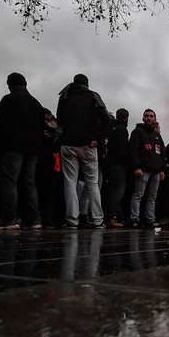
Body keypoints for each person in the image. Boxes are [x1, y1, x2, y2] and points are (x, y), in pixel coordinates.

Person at [56, 73, 110, 228]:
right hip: (89, 145)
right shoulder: (93, 97)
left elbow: (60, 119)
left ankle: (72, 220)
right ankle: (98, 219)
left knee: (70, 183)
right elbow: (106, 119)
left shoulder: (64, 96)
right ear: (87, 84)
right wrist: (98, 138)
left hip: (68, 144)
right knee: (92, 183)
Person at [0, 72, 44, 230]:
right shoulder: (36, 103)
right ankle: (34, 219)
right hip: (33, 148)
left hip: (13, 146)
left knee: (9, 180)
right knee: (29, 182)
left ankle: (10, 219)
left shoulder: (8, 100)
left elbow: (2, 127)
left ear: (10, 85)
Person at [127, 108, 165, 228]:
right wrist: (136, 167)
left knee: (152, 196)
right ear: (143, 118)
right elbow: (133, 151)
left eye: (151, 116)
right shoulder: (137, 132)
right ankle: (134, 219)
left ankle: (150, 219)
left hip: (156, 171)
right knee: (138, 194)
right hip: (143, 170)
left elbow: (161, 153)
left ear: (155, 119)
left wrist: (162, 169)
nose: (149, 118)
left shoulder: (157, 135)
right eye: (147, 116)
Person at [104, 108, 130, 228]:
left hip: (111, 163)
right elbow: (123, 149)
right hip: (120, 164)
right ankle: (112, 217)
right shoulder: (122, 129)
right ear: (126, 117)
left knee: (112, 191)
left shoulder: (110, 128)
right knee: (118, 192)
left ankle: (110, 216)